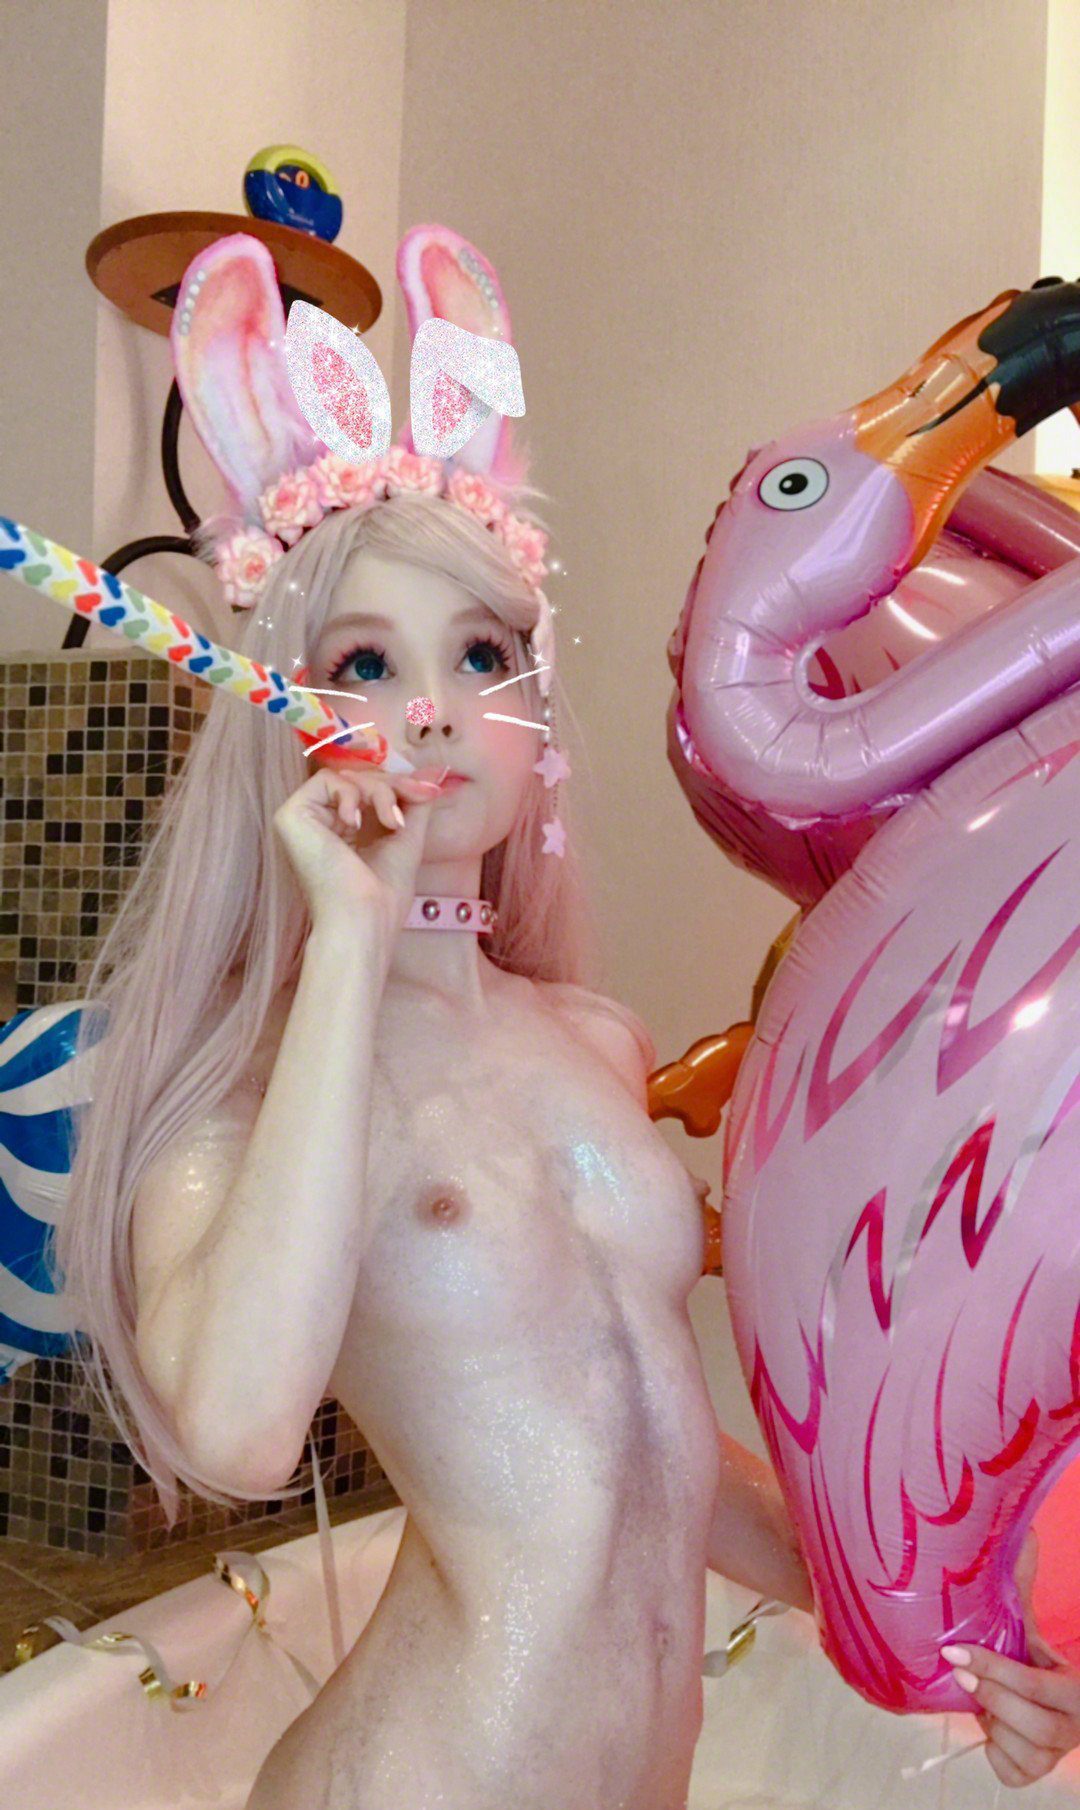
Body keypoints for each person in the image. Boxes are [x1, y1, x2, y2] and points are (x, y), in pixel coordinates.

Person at [50, 228, 1078, 1805]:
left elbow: (650, 1460)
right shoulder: (246, 1093)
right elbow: (239, 1433)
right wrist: (348, 940)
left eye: (482, 654)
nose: (437, 709)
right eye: (365, 663)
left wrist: (950, 1644)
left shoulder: (592, 1041)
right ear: (288, 716)